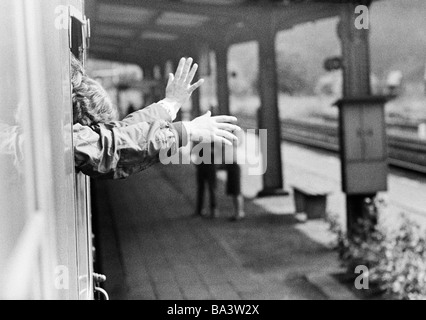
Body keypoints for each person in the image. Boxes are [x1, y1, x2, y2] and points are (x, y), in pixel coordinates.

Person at [72, 55, 241, 179]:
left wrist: (169, 105)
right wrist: (183, 131)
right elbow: (108, 148)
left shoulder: (65, 134)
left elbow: (118, 133)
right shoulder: (68, 139)